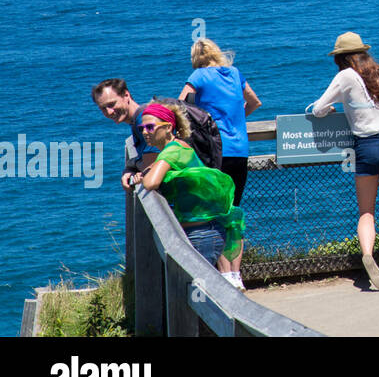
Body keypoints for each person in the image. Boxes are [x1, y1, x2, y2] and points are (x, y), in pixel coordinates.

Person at [308, 32, 379, 292]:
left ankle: (367, 255)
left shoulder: (345, 77)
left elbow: (318, 109)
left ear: (340, 58)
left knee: (367, 212)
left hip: (367, 146)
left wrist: (332, 109)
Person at [178, 38, 261, 288]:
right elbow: (255, 102)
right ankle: (237, 275)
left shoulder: (199, 76)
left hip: (215, 151)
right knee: (234, 211)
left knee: (217, 213)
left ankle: (225, 278)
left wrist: (199, 128)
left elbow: (179, 104)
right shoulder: (235, 74)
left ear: (196, 58)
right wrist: (234, 119)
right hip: (240, 150)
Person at [131, 98, 245, 276]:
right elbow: (157, 169)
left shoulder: (172, 151)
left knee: (197, 289)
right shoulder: (179, 146)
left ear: (168, 127)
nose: (145, 132)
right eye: (141, 129)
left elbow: (151, 182)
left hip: (201, 234)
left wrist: (143, 176)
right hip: (206, 231)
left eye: (150, 127)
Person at [93, 78, 160, 188]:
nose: (109, 112)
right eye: (103, 108)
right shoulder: (137, 121)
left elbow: (150, 166)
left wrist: (131, 165)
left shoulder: (144, 122)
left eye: (112, 104)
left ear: (126, 95)